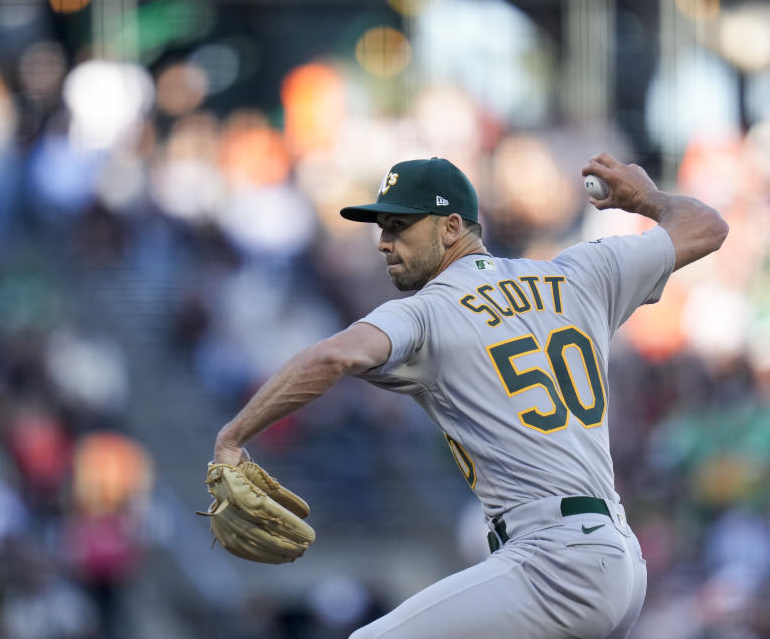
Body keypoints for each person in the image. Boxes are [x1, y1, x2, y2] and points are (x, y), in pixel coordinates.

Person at [212, 154, 728, 638]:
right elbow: (707, 227)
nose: (383, 242)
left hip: (553, 561)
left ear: (452, 226)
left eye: (399, 226)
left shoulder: (427, 311)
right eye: (381, 228)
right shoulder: (575, 274)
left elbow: (331, 358)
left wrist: (233, 437)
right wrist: (648, 200)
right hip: (615, 556)